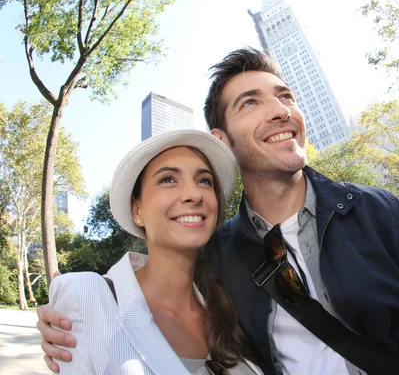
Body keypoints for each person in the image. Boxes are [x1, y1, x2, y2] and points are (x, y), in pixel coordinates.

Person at [38, 48, 399, 374]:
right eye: (251, 103)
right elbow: (154, 284)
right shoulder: (217, 253)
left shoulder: (377, 211)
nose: (281, 110)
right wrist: (74, 313)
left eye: (285, 96)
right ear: (222, 141)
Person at [46, 129, 262, 374]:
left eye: (204, 181)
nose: (193, 194)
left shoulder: (233, 302)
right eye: (168, 179)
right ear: (137, 210)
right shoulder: (86, 296)